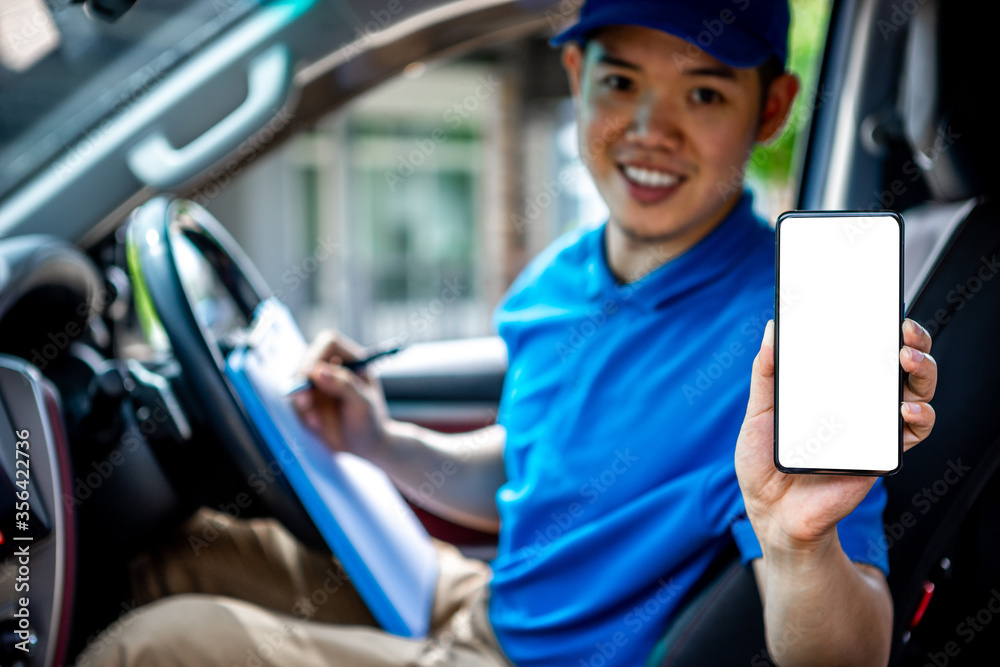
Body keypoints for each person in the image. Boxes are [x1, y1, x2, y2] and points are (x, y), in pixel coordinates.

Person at [77, 0, 939, 665]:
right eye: (620, 82)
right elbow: (529, 474)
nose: (649, 131)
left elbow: (850, 647)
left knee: (157, 644)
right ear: (574, 73)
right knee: (179, 548)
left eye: (704, 92)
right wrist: (383, 439)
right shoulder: (554, 283)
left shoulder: (782, 345)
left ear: (771, 109)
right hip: (484, 597)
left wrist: (799, 546)